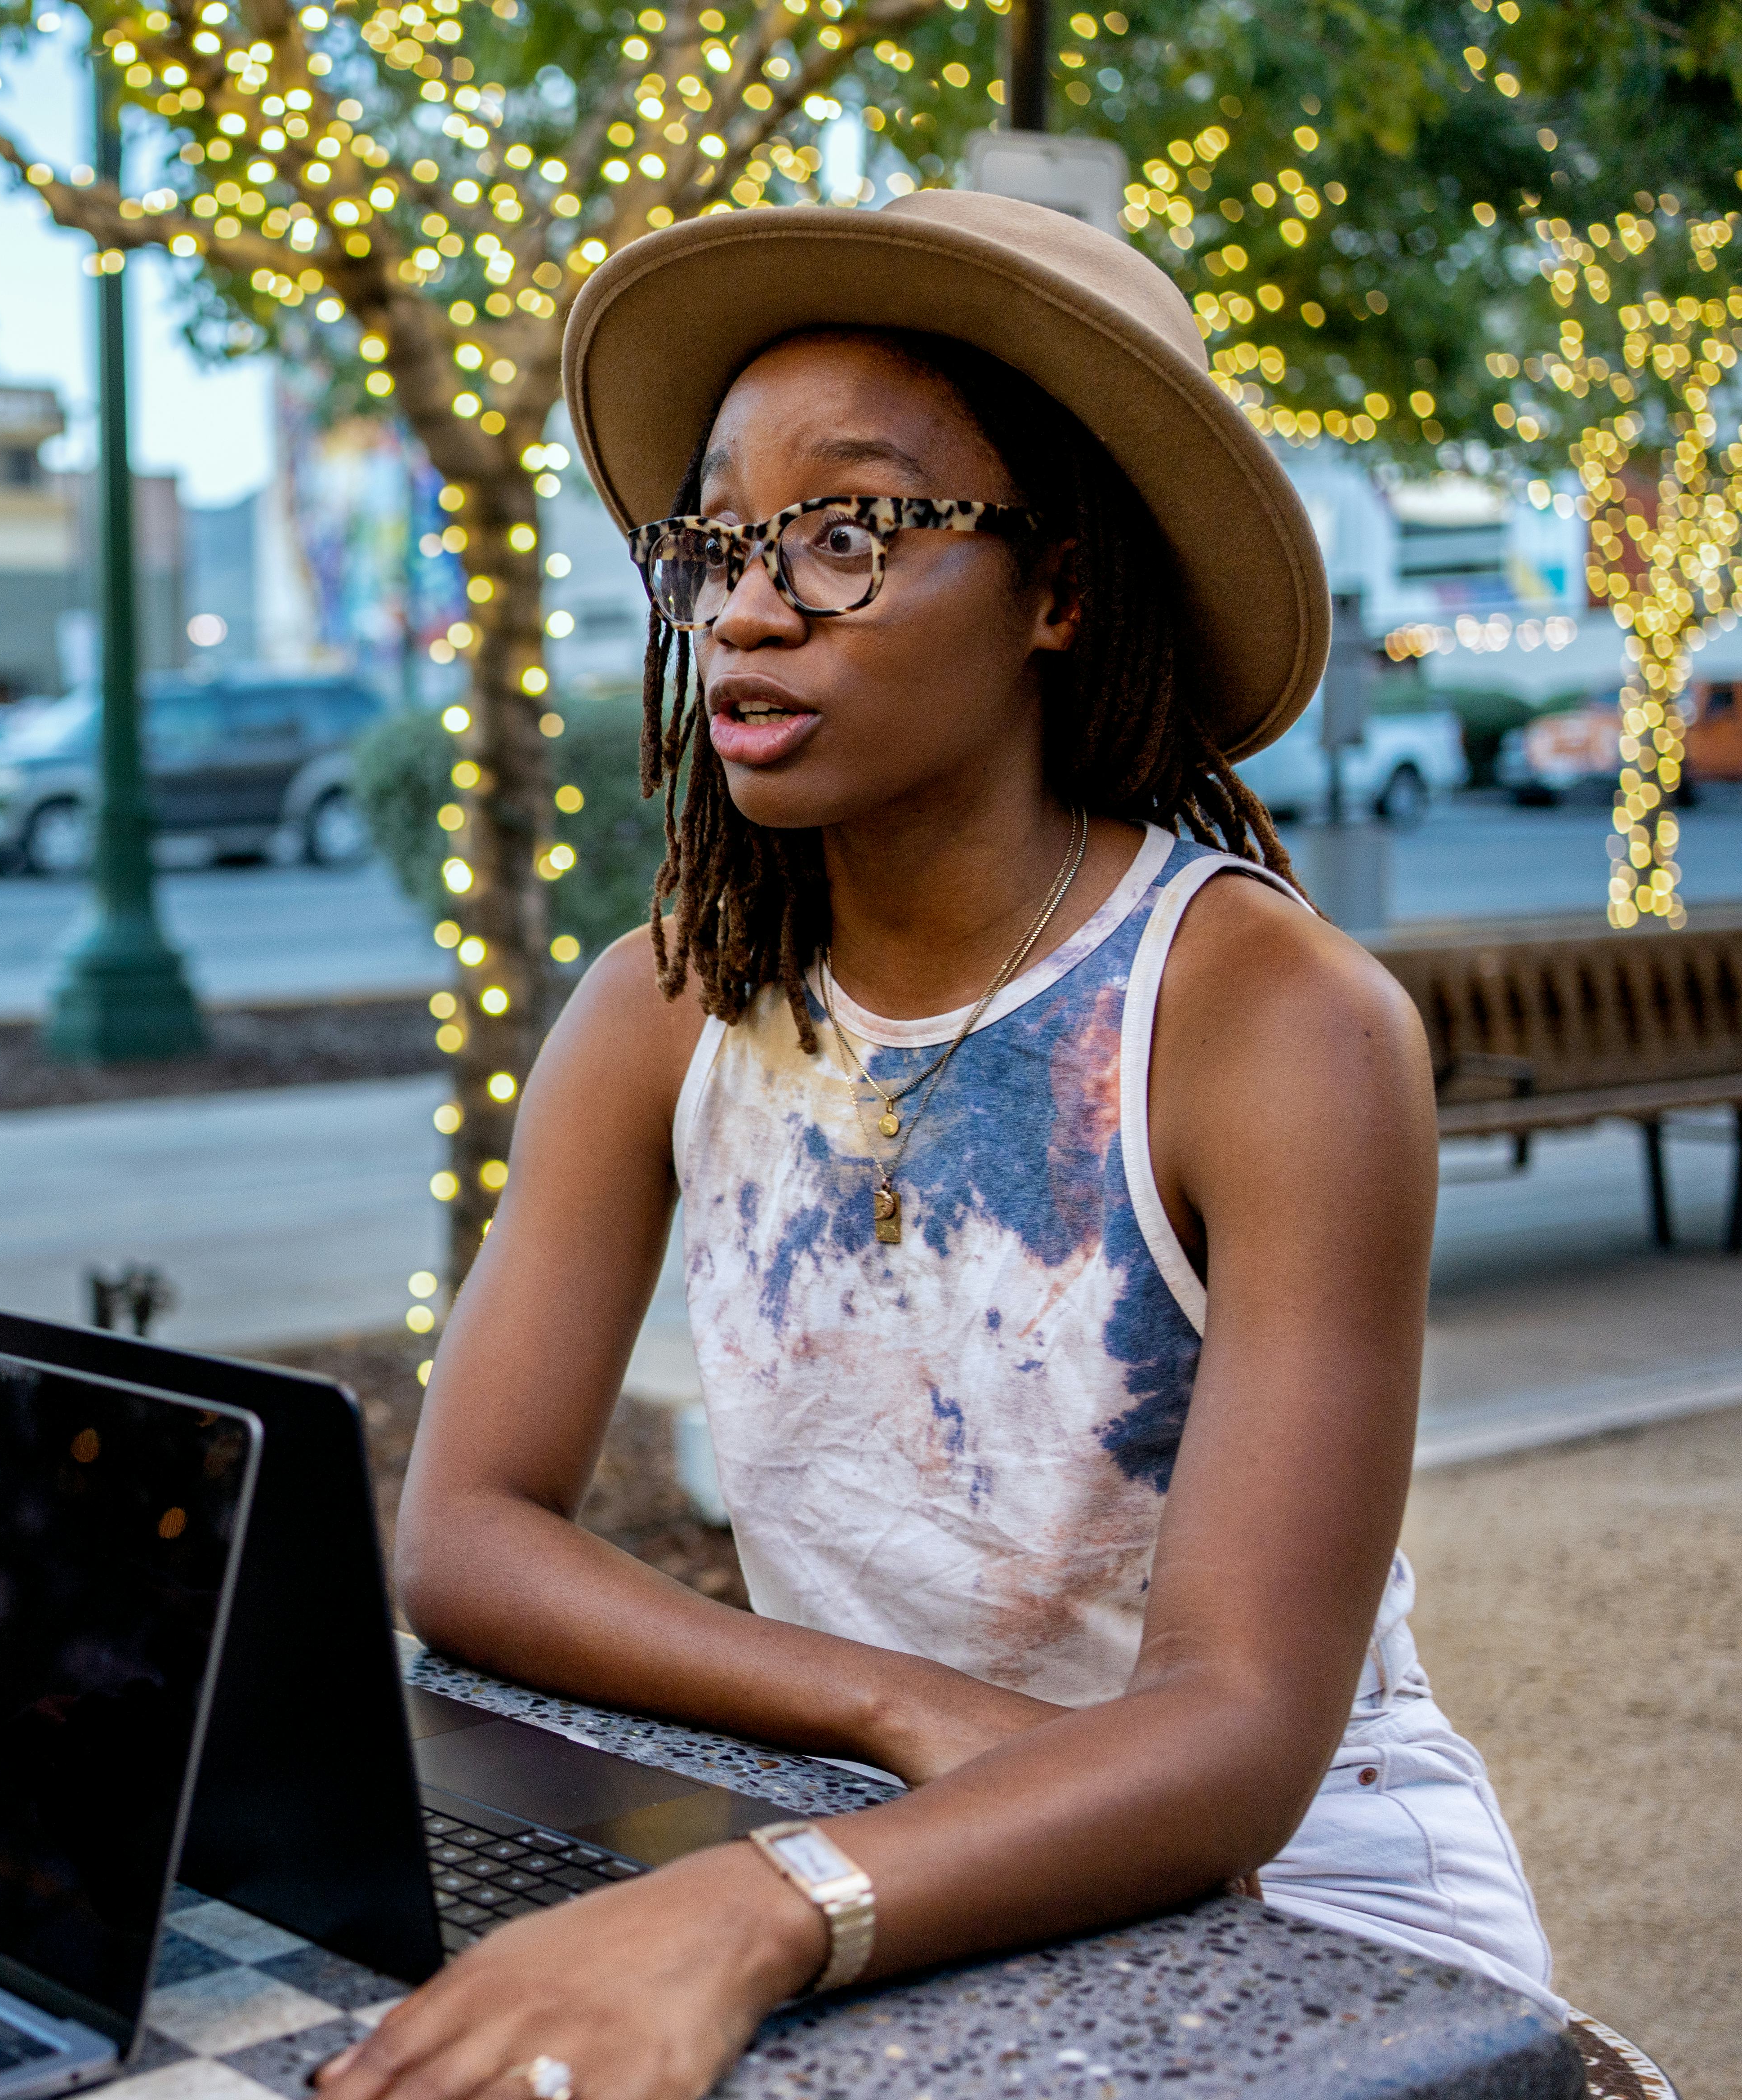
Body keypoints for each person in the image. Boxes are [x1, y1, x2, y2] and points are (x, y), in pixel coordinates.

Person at [323, 193, 1555, 2100]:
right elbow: (467, 1534)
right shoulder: (664, 1007)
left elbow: (1237, 1731)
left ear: (1057, 586)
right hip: (884, 1841)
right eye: (720, 540)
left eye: (845, 533)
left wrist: (742, 1907)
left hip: (1302, 1906)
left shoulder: (1271, 1023)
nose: (746, 603)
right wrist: (893, 1709)